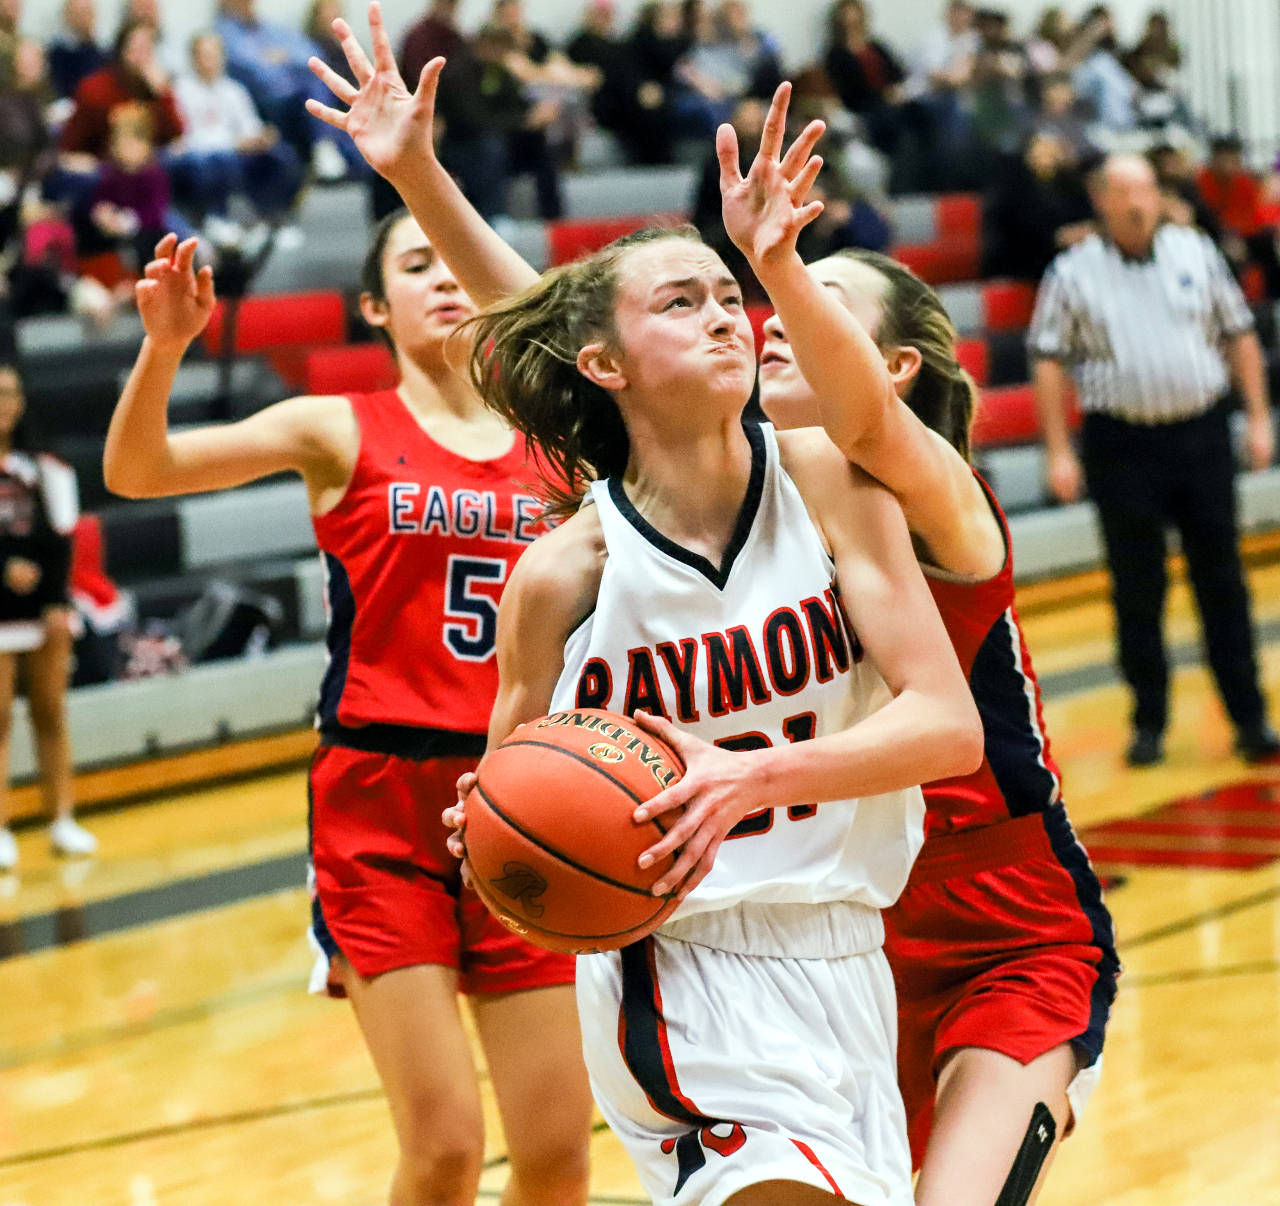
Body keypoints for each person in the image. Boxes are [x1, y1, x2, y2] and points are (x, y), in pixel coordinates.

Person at [308, 25, 983, 1204]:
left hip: (843, 955)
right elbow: (502, 819)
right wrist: (500, 839)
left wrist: (744, 779)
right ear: (605, 364)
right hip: (675, 971)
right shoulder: (564, 576)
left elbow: (948, 728)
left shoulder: (828, 479)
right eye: (687, 301)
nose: (728, 318)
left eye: (736, 299)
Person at [102, 215, 594, 1206]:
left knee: (554, 1153)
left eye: (456, 262)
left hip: (524, 795)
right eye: (416, 267)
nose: (446, 281)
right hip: (380, 800)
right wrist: (164, 347)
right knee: (447, 1147)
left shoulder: (566, 451)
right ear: (374, 306)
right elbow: (137, 471)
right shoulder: (337, 426)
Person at [730, 131, 1118, 1206]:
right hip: (836, 922)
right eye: (780, 298)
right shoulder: (735, 514)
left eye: (818, 300)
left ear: (894, 365)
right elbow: (589, 350)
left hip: (1004, 915)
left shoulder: (943, 495)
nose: (779, 316)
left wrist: (771, 260)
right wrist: (418, 180)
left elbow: (857, 420)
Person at [1029, 153, 1280, 766]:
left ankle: (1250, 719)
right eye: (1125, 192)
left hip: (1202, 434)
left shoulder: (1195, 251)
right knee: (1136, 589)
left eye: (1147, 189)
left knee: (1223, 579)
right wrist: (1059, 451)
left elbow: (1239, 333)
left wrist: (1258, 417)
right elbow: (1047, 358)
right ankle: (1149, 721)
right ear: (1103, 201)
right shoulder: (1072, 272)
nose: (1140, 202)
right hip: (1123, 445)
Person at [0, 361, 97, 871]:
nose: (6, 403)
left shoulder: (45, 468)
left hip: (43, 610)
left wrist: (58, 601)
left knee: (50, 712)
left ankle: (61, 819)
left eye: (12, 393)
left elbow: (62, 541)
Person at [169, 31, 303, 231]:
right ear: (193, 59)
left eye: (214, 55)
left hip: (236, 152)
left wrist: (262, 137)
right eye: (204, 55)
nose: (210, 61)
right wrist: (235, 143)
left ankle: (274, 219)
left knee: (282, 155)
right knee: (216, 161)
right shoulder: (180, 90)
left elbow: (250, 127)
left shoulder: (234, 89)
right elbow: (187, 138)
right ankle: (217, 218)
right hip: (199, 157)